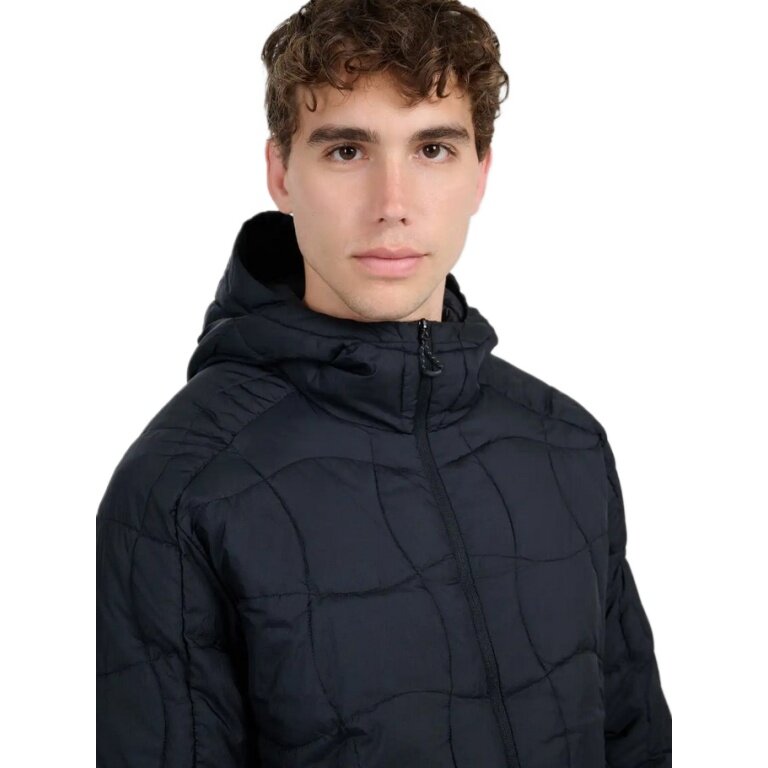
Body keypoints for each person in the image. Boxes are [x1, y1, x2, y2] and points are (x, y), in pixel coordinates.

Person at [96, 1, 672, 766]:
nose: (392, 205)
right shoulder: (179, 491)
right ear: (280, 174)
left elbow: (634, 740)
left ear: (481, 174)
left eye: (432, 149)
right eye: (347, 151)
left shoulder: (566, 444)